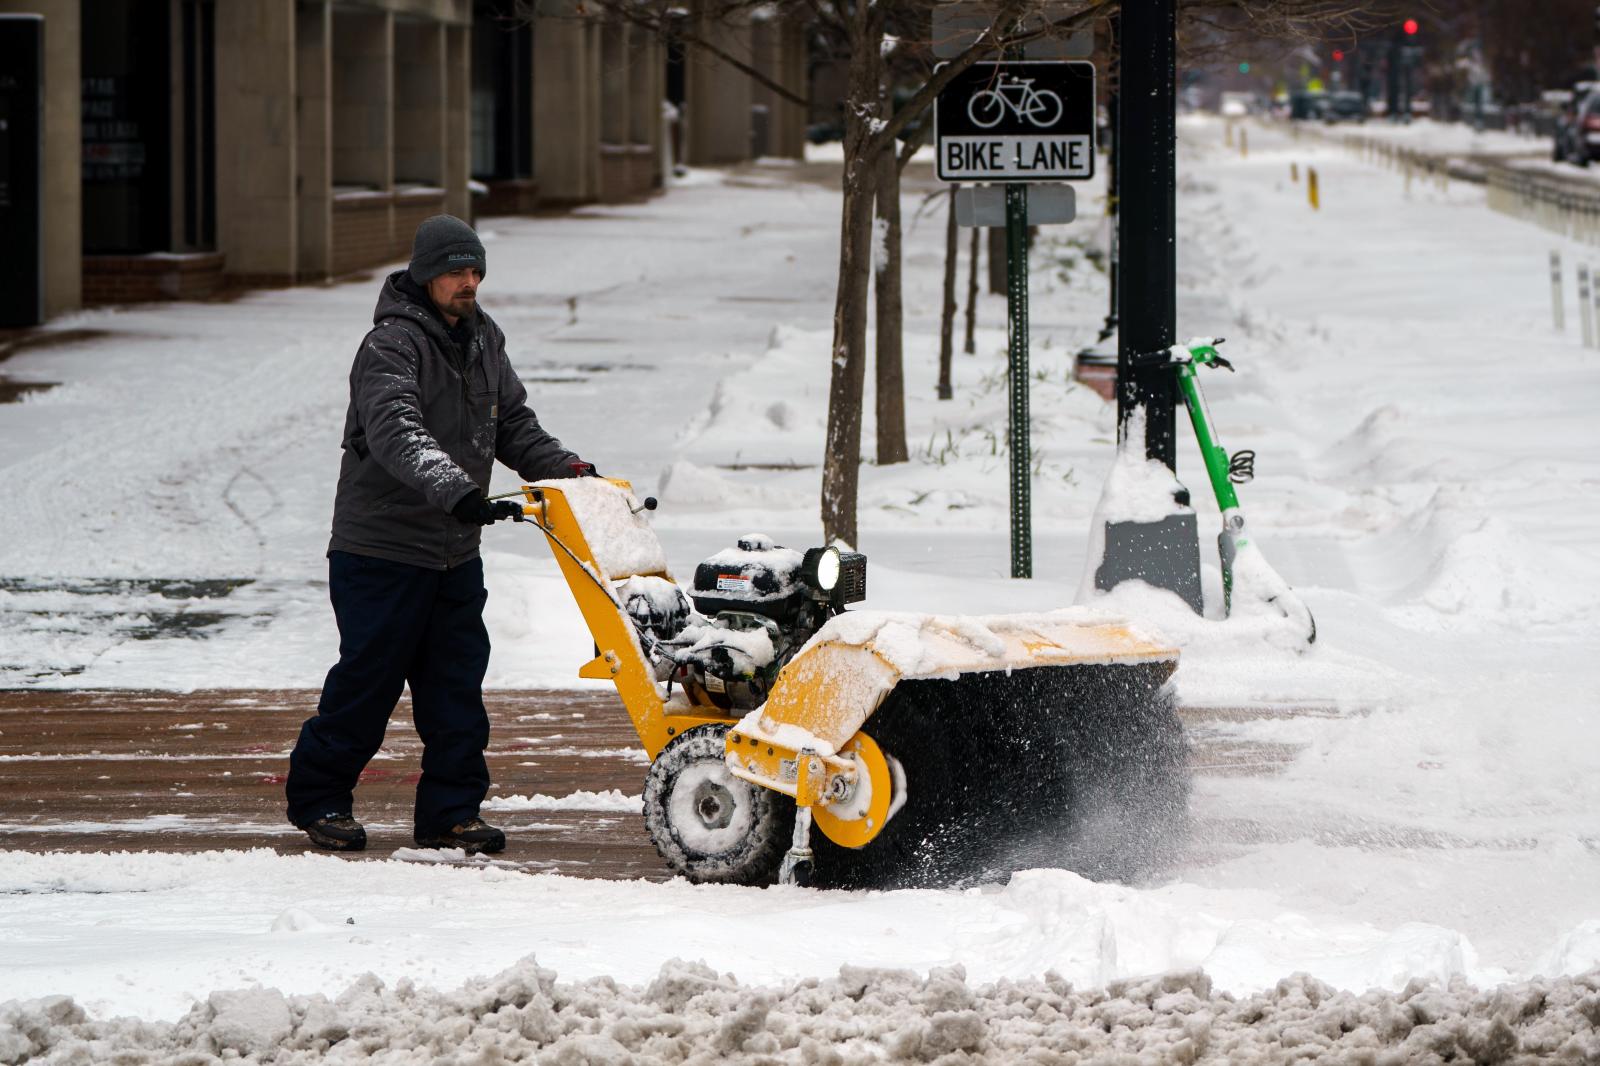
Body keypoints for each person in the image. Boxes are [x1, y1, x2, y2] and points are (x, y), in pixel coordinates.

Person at [285, 214, 595, 855]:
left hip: (454, 552)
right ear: (426, 274)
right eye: (456, 270)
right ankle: (320, 800)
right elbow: (397, 432)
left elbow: (511, 423)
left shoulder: (484, 339)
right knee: (367, 685)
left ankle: (451, 813)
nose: (469, 282)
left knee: (456, 689)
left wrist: (569, 471)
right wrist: (457, 490)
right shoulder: (390, 347)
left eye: (476, 269)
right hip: (381, 550)